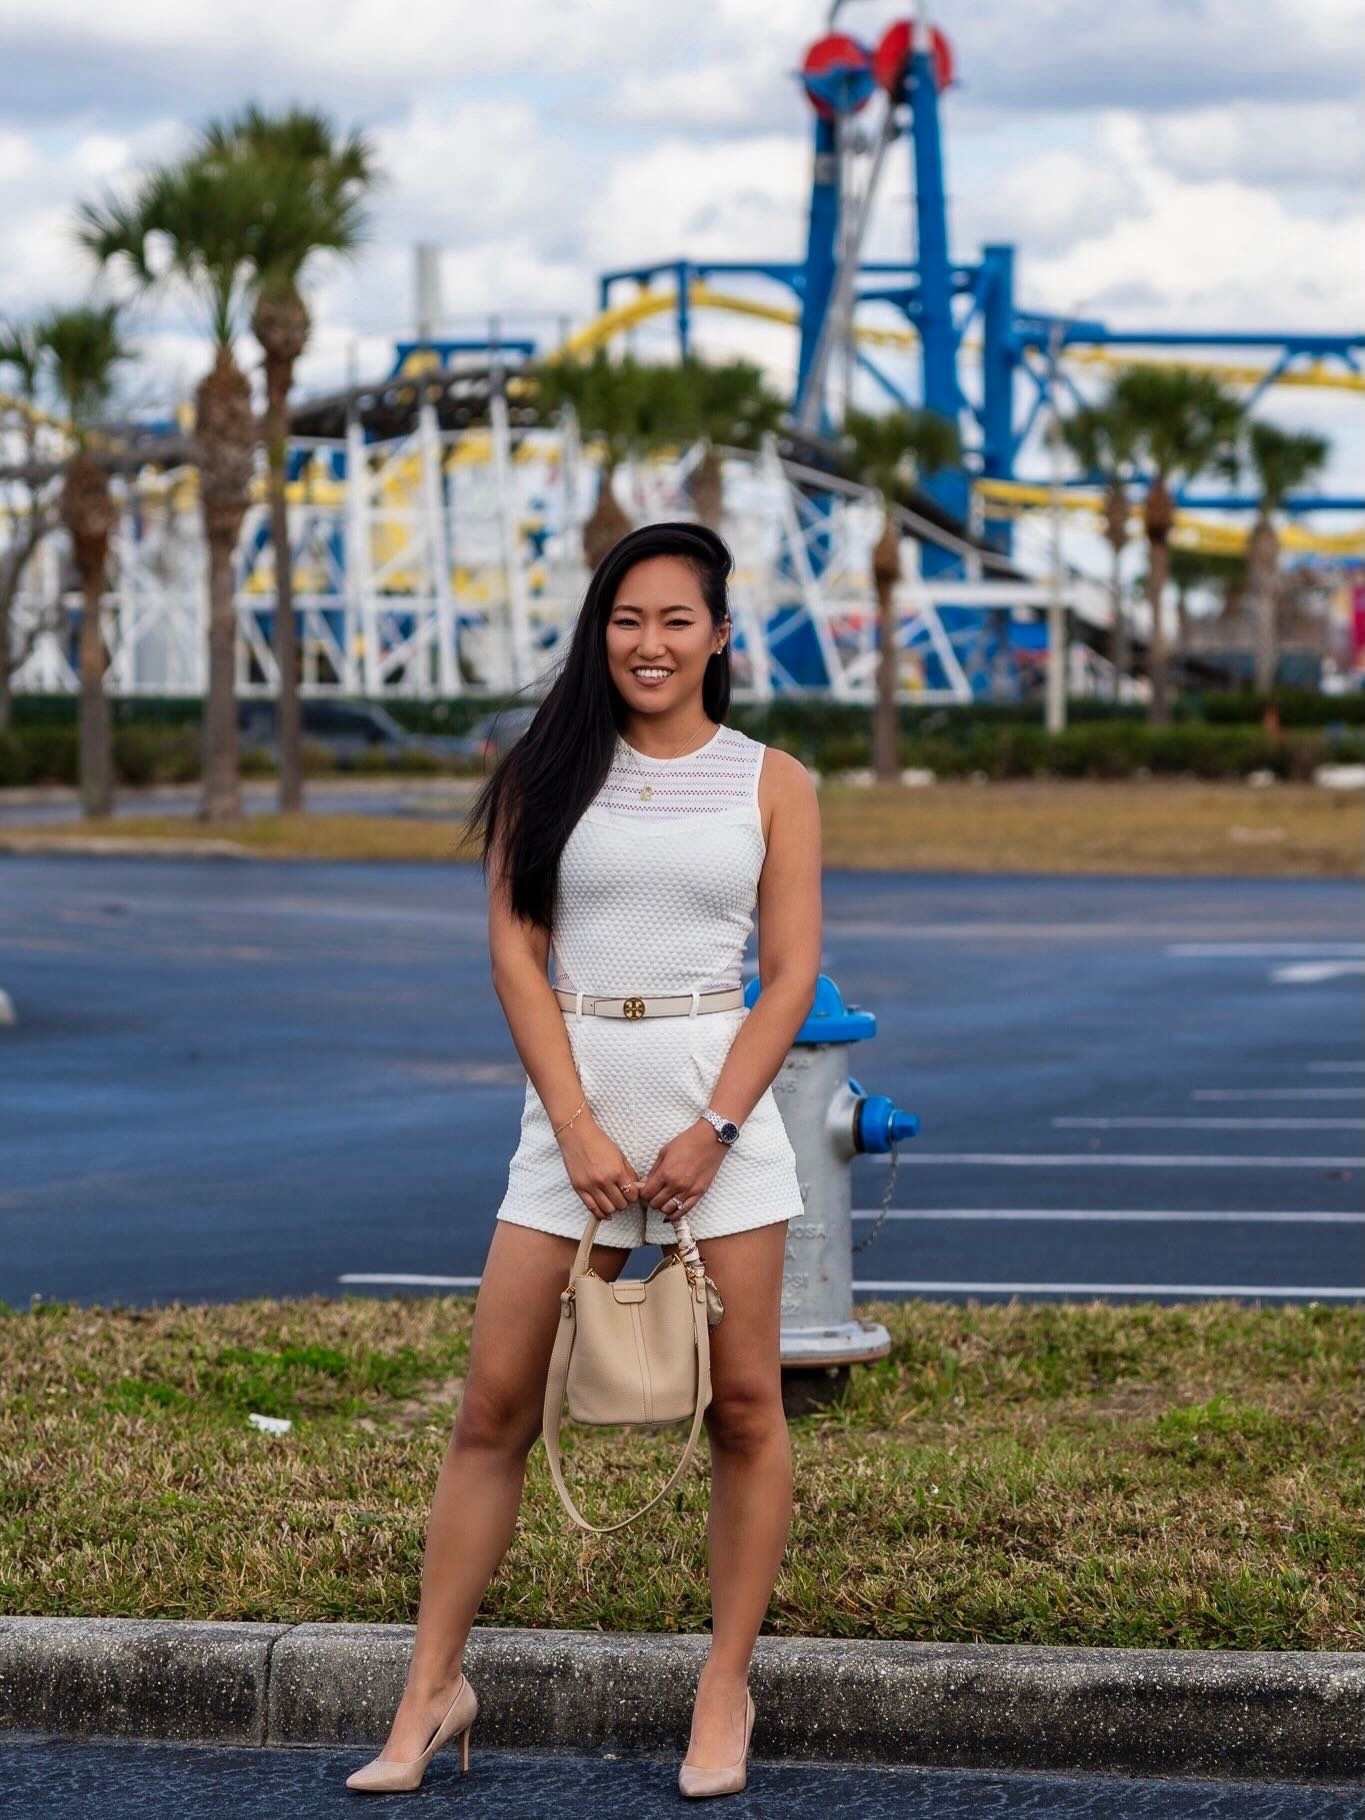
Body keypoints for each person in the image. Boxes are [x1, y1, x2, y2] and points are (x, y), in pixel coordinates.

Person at [344, 521, 822, 1797]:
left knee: (746, 1406)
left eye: (677, 619)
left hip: (717, 1119)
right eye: (627, 618)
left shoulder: (773, 779)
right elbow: (517, 953)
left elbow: (792, 977)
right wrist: (575, 1126)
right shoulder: (545, 768)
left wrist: (712, 1128)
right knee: (492, 1403)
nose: (650, 642)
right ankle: (431, 1687)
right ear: (597, 631)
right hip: (573, 1118)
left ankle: (725, 1685)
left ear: (721, 635)